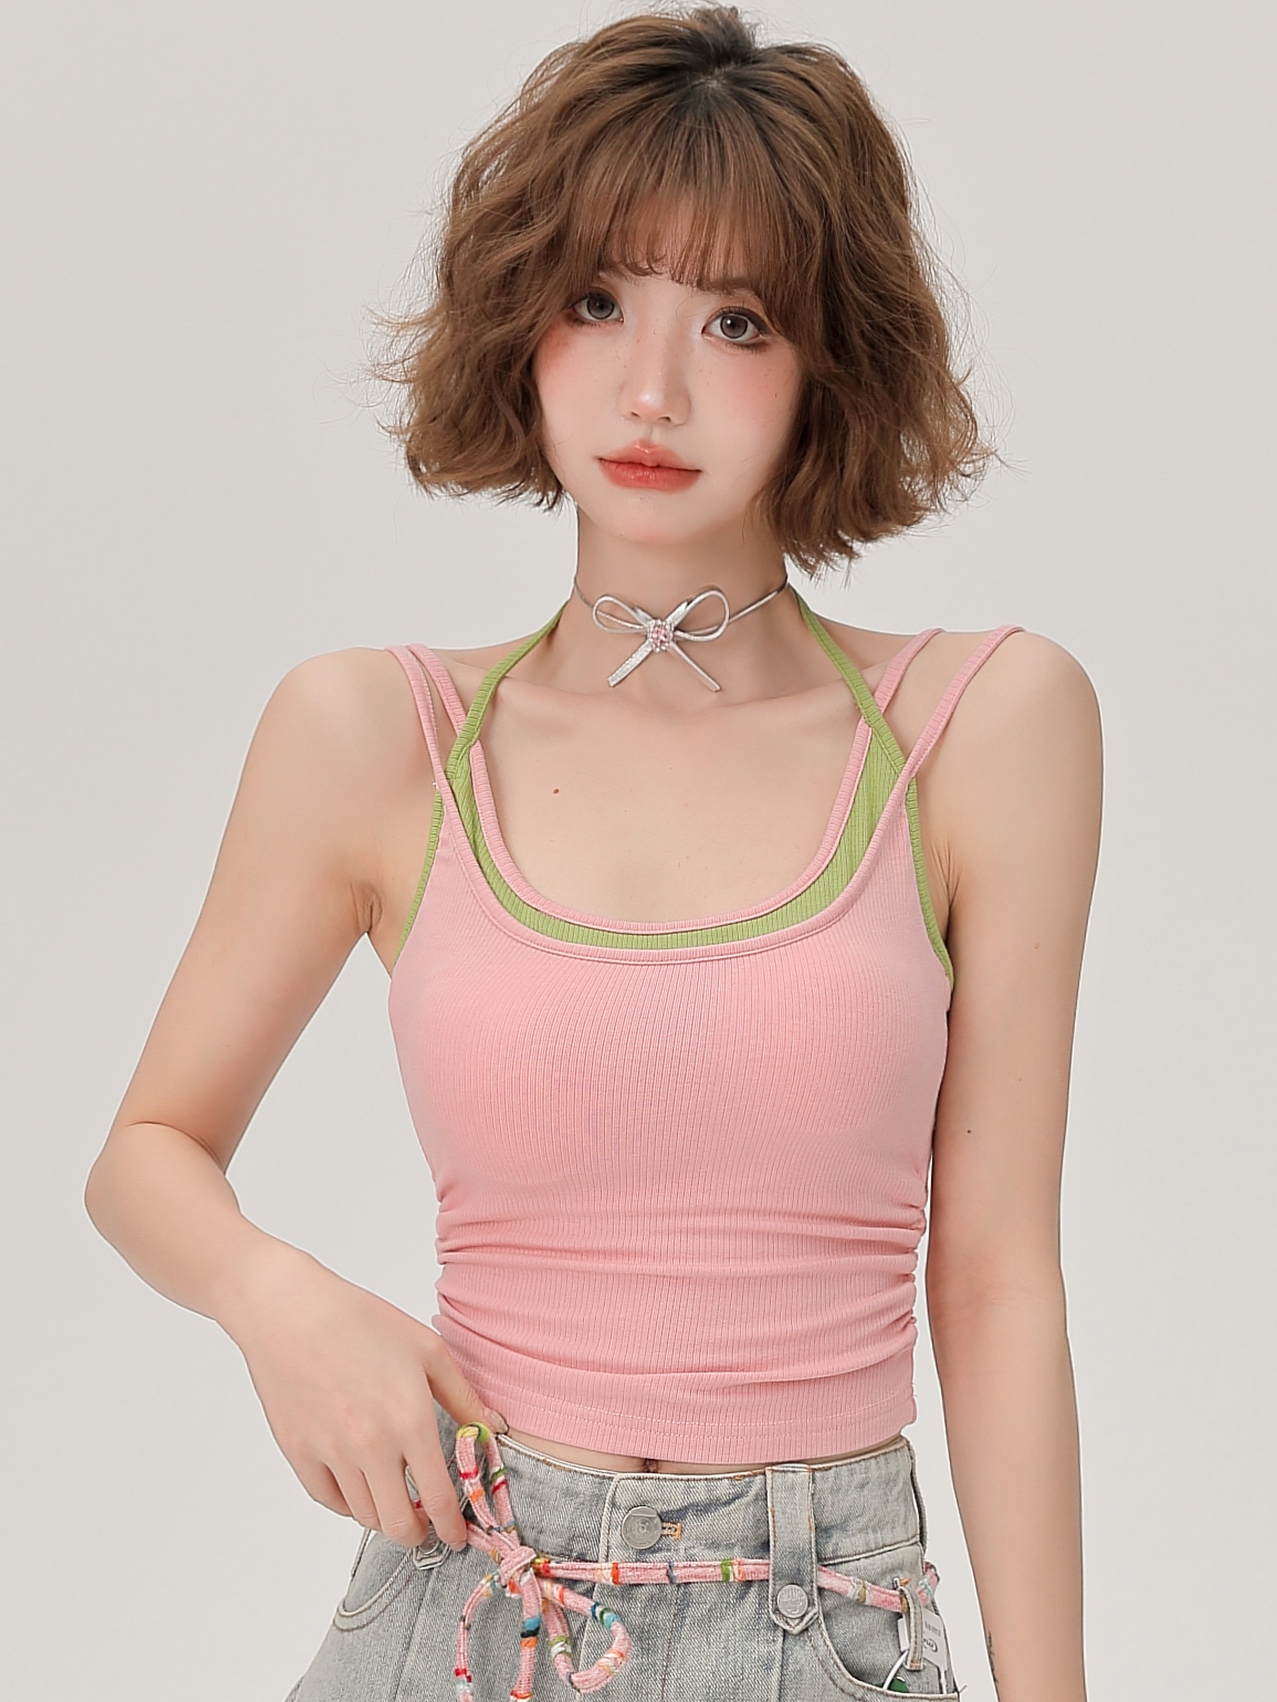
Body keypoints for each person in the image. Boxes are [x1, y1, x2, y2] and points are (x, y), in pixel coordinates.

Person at [85, 8, 1099, 1700]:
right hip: (460, 1601)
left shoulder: (980, 725)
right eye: (596, 301)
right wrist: (280, 1298)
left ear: (830, 358)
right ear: (518, 322)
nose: (650, 391)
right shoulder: (376, 734)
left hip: (817, 1615)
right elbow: (144, 1152)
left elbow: (995, 1279)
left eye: (736, 320)